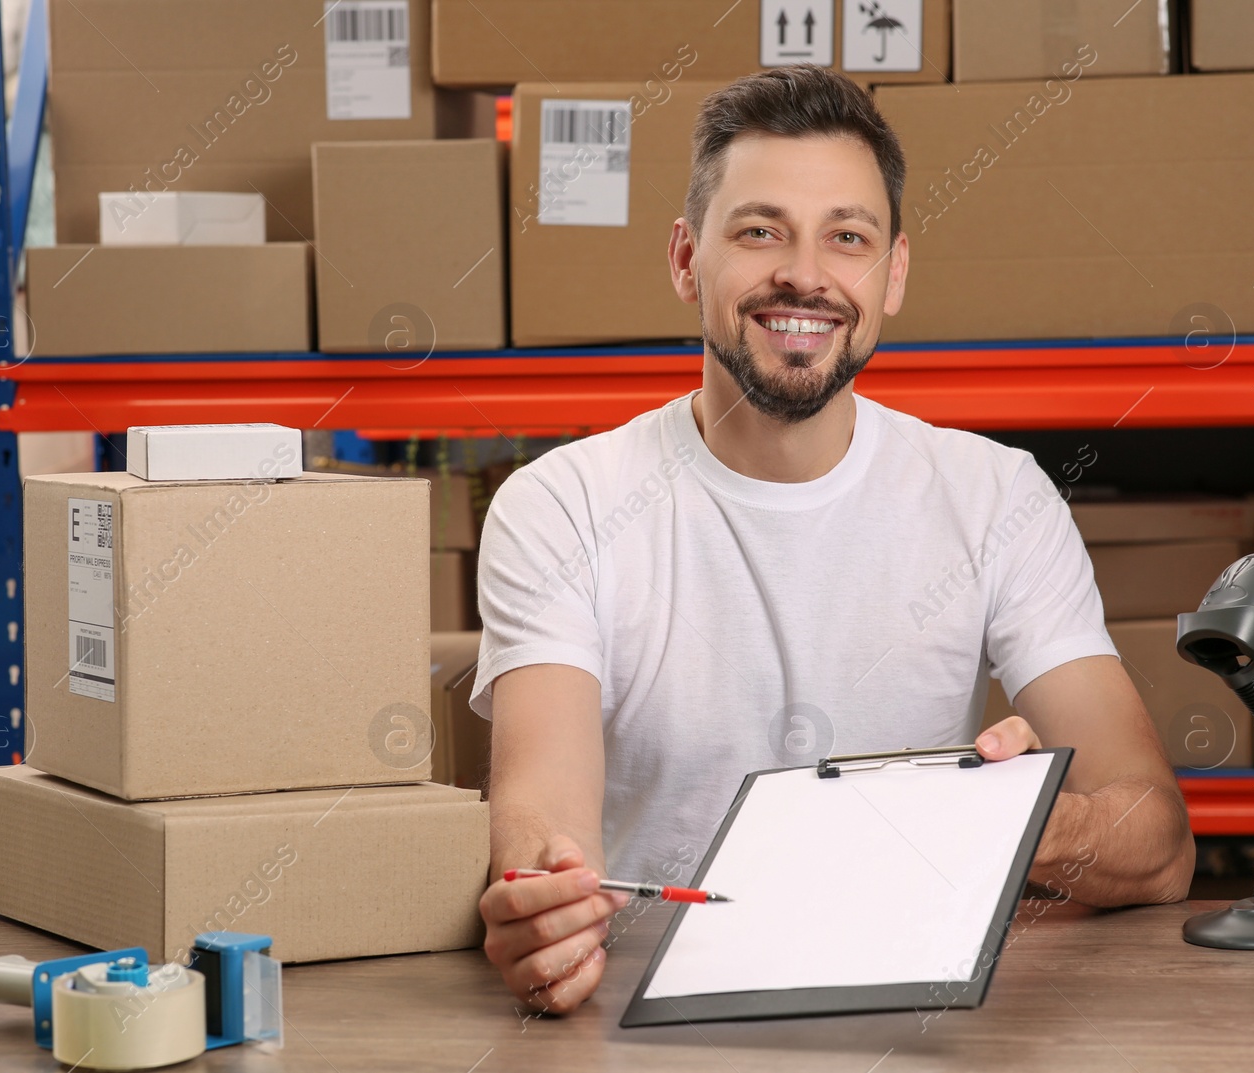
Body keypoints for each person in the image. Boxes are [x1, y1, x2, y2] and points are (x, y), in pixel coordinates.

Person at [470, 64, 1194, 1016]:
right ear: (688, 260)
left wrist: (1018, 824)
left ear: (892, 274)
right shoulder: (561, 504)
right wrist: (545, 907)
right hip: (637, 1011)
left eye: (846, 238)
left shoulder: (996, 497)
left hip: (909, 1019)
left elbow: (1161, 843)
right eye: (760, 230)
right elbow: (542, 828)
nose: (804, 274)